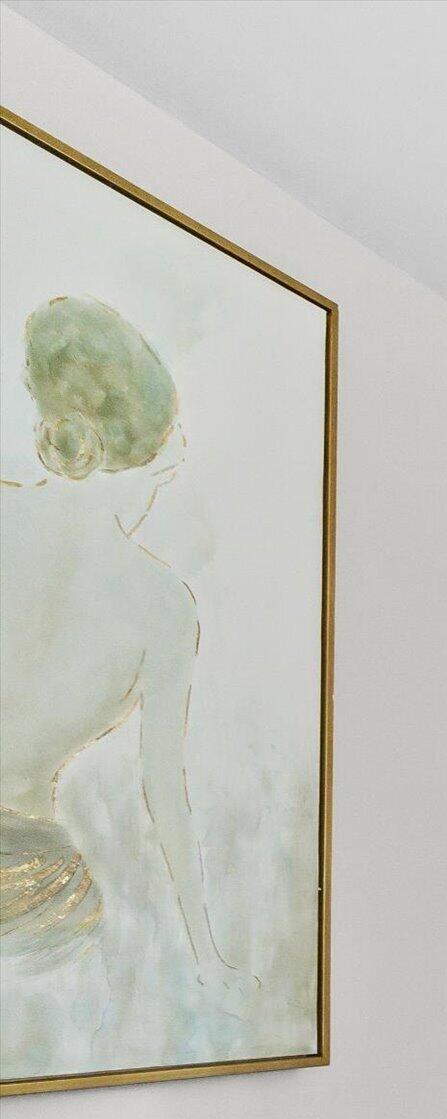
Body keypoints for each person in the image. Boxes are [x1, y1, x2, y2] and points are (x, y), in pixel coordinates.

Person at [0, 292, 249, 1002]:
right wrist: (209, 958)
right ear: (148, 463)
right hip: (38, 899)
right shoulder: (163, 606)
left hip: (38, 897)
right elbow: (164, 795)